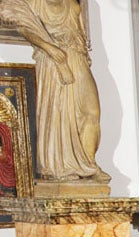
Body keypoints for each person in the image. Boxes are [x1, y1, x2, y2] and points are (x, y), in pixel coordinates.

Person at [2, 0, 109, 182]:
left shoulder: (72, 3)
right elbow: (22, 25)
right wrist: (50, 49)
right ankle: (62, 167)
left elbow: (79, 32)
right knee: (59, 113)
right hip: (52, 62)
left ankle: (89, 164)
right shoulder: (34, 3)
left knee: (92, 112)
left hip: (77, 58)